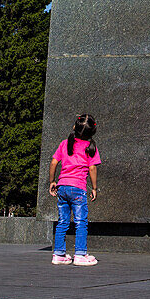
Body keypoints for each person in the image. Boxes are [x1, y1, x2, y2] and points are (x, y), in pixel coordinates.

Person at [49, 113, 101, 267]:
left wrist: (52, 181)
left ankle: (58, 254)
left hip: (62, 186)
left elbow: (53, 162)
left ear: (74, 127)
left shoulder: (64, 144)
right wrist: (94, 187)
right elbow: (92, 168)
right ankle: (80, 254)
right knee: (80, 222)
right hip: (78, 188)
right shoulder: (90, 147)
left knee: (63, 221)